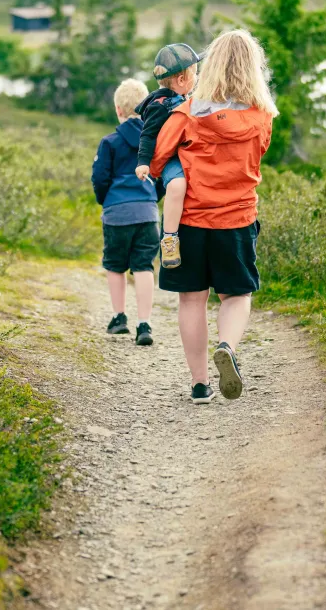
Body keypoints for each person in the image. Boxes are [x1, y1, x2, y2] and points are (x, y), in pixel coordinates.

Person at [149, 29, 276, 404]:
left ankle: (200, 384)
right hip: (236, 219)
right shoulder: (263, 115)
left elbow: (157, 159)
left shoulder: (186, 112)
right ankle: (228, 347)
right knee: (236, 294)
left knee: (191, 300)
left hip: (189, 222)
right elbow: (259, 153)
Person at [92, 79, 161, 346]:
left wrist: (105, 200)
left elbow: (100, 178)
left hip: (117, 213)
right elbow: (162, 177)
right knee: (143, 266)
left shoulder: (109, 142)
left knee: (115, 265)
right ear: (146, 109)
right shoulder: (154, 142)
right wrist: (153, 198)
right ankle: (144, 324)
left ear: (118, 110)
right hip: (147, 212)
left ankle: (119, 317)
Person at [134, 44, 201, 270]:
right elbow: (147, 135)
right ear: (181, 79)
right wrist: (143, 163)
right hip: (171, 159)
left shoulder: (184, 98)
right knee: (177, 186)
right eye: (195, 73)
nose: (197, 77)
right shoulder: (160, 106)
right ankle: (170, 239)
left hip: (186, 152)